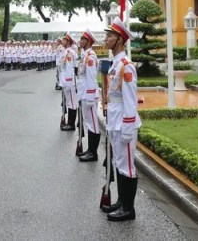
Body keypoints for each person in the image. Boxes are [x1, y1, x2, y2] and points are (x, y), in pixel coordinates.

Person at [101, 17, 140, 222]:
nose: (106, 38)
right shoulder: (115, 64)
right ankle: (121, 201)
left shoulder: (127, 66)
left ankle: (128, 209)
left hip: (124, 123)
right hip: (114, 121)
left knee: (127, 167)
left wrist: (127, 126)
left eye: (110, 35)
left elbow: (130, 100)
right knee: (118, 162)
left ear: (119, 40)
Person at [77, 29, 100, 162]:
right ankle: (90, 150)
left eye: (82, 39)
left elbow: (91, 77)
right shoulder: (85, 55)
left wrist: (91, 96)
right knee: (89, 122)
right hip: (84, 93)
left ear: (88, 41)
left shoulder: (90, 56)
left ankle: (93, 153)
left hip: (89, 94)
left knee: (93, 124)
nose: (80, 41)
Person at [59, 33, 77, 131]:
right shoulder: (66, 51)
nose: (62, 41)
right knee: (70, 102)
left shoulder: (69, 52)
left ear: (68, 42)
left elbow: (70, 69)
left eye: (64, 40)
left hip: (68, 81)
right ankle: (69, 123)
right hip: (65, 80)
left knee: (71, 103)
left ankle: (71, 124)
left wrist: (69, 83)